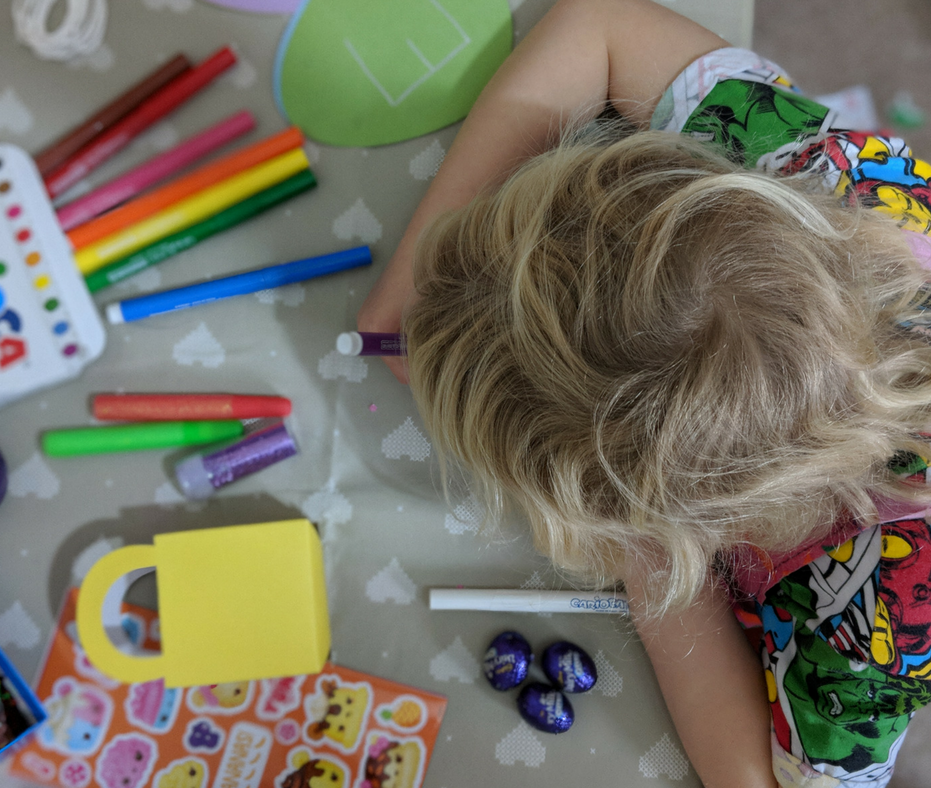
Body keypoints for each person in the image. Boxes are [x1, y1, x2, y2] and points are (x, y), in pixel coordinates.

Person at [357, 1, 931, 785]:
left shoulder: (883, 623)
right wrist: (414, 284)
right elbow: (598, 24)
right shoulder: (823, 178)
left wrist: (651, 556)